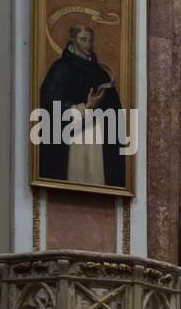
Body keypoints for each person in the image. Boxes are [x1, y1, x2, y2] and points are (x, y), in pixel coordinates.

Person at [37, 24, 127, 188]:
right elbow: (49, 104)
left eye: (90, 40)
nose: (88, 44)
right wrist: (86, 107)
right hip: (72, 140)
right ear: (73, 40)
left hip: (97, 140)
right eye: (83, 39)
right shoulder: (61, 69)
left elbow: (114, 112)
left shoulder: (100, 73)